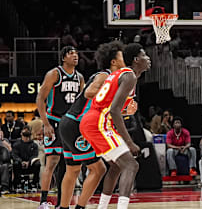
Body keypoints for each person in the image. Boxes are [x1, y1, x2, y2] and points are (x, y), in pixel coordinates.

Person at [80, 43, 150, 209]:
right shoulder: (129, 75)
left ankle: (102, 207)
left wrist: (126, 111)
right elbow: (113, 110)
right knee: (131, 165)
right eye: (144, 55)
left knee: (116, 166)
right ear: (135, 59)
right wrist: (130, 142)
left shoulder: (121, 74)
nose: (148, 58)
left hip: (93, 121)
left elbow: (112, 107)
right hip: (98, 123)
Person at [58, 41, 124, 209]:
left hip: (68, 123)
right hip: (77, 125)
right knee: (99, 169)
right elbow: (89, 92)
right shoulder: (105, 76)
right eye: (121, 55)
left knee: (72, 170)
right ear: (113, 61)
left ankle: (63, 207)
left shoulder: (112, 79)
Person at [36, 46, 83, 209]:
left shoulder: (80, 77)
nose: (75, 56)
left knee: (68, 163)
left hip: (70, 124)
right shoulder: (54, 74)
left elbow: (82, 103)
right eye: (71, 53)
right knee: (52, 161)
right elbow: (40, 98)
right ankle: (43, 201)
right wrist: (46, 124)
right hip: (54, 121)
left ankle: (61, 203)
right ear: (63, 58)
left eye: (76, 53)